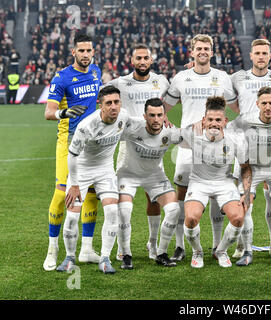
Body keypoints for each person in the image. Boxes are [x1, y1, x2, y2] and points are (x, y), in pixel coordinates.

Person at [163, 34, 238, 262]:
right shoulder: (181, 78)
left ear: (212, 52)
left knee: (217, 194)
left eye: (207, 48)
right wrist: (176, 129)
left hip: (217, 145)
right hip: (188, 146)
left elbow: (237, 108)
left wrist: (229, 129)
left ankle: (217, 246)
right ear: (192, 52)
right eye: (199, 48)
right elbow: (164, 108)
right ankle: (179, 246)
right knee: (183, 195)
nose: (203, 51)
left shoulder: (223, 77)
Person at [103, 43, 170, 261]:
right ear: (132, 61)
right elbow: (101, 91)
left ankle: (152, 243)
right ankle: (124, 248)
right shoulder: (121, 82)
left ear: (151, 61)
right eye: (138, 58)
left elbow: (171, 99)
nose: (142, 62)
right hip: (128, 147)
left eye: (146, 58)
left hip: (153, 147)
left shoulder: (162, 81)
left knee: (153, 199)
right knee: (125, 204)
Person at [43, 33, 102, 271]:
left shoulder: (96, 72)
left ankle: (86, 249)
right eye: (82, 51)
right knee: (61, 194)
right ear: (74, 52)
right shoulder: (62, 77)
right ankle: (52, 249)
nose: (86, 55)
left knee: (90, 195)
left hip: (94, 143)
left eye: (89, 51)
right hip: (68, 143)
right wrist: (64, 114)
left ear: (93, 52)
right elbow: (48, 112)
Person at [56, 86, 129, 274]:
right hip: (81, 170)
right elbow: (72, 156)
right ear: (100, 105)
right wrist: (73, 185)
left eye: (117, 102)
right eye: (109, 103)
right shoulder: (86, 125)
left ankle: (105, 258)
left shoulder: (124, 117)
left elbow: (141, 126)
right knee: (72, 217)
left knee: (112, 211)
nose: (114, 107)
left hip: (105, 170)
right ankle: (70, 257)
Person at [230, 39, 271, 258]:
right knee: (244, 198)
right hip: (245, 147)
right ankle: (241, 245)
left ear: (269, 56)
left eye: (265, 53)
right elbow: (231, 102)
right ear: (251, 56)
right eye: (258, 53)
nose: (261, 56)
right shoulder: (237, 77)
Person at [227, 86, 271, 267]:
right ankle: (247, 251)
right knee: (245, 206)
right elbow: (228, 129)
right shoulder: (246, 120)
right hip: (252, 169)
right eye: (264, 103)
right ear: (258, 104)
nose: (268, 107)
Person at [182, 96, 252, 268]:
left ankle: (221, 251)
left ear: (225, 121)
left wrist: (246, 193)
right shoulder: (192, 134)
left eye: (218, 120)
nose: (214, 123)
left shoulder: (235, 139)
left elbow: (245, 167)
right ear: (204, 120)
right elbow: (165, 134)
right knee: (190, 219)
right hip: (198, 182)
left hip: (224, 183)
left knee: (238, 218)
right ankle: (197, 251)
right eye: (210, 120)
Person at [116, 98, 182, 268]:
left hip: (154, 175)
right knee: (124, 210)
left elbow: (193, 141)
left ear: (164, 116)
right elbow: (109, 132)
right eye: (151, 115)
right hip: (128, 174)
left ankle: (161, 253)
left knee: (174, 210)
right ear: (144, 116)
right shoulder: (132, 126)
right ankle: (126, 254)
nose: (156, 119)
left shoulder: (170, 132)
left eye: (160, 115)